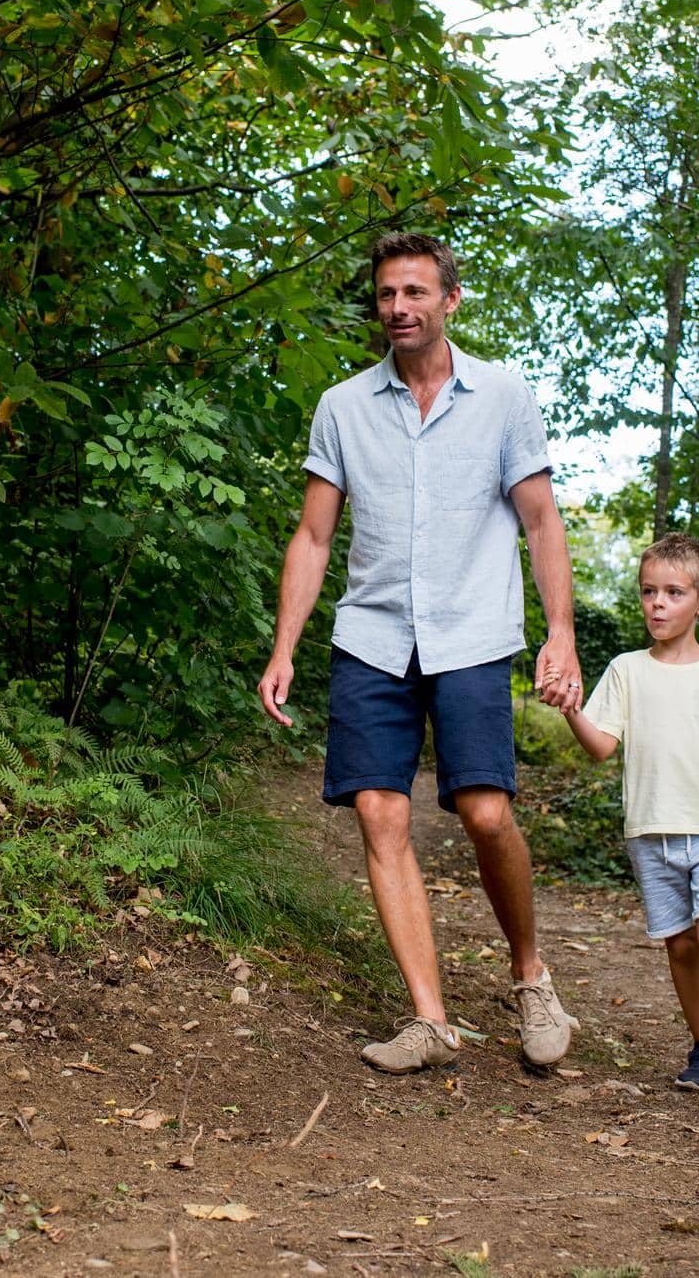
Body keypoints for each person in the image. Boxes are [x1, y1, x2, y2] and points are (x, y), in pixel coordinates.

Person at [257, 231, 582, 1073]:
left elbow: (543, 522)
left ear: (449, 300)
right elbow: (314, 534)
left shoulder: (504, 396)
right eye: (386, 295)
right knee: (379, 811)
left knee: (483, 811)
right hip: (372, 636)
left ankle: (530, 973)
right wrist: (284, 645)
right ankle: (431, 1018)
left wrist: (561, 633)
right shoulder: (343, 405)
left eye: (414, 292)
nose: (398, 308)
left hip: (472, 631)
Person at [558, 534, 699, 1110]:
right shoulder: (627, 670)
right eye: (648, 591)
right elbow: (602, 747)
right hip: (650, 831)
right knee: (680, 945)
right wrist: (570, 708)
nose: (658, 603)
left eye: (673, 592)